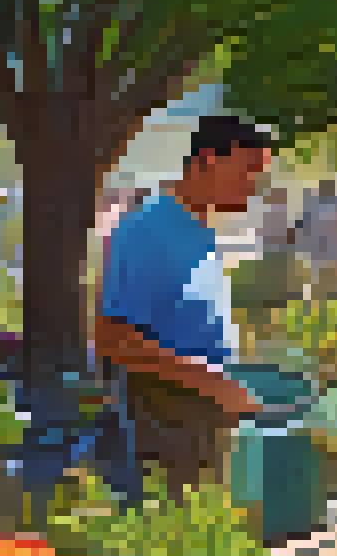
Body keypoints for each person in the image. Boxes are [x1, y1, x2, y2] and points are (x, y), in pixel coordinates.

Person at [96, 116, 271, 501]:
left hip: (204, 417)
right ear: (208, 159)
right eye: (246, 172)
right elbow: (114, 339)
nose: (253, 187)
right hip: (165, 420)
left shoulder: (201, 229)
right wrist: (213, 383)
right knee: (174, 527)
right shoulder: (146, 231)